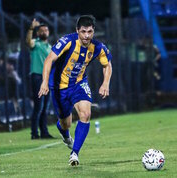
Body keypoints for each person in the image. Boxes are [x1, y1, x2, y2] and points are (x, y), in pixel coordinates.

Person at [38, 15, 112, 166]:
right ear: (77, 30)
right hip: (59, 87)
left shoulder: (98, 47)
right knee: (66, 123)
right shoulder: (67, 41)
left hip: (79, 84)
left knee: (86, 113)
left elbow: (107, 65)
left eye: (89, 32)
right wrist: (44, 82)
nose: (86, 35)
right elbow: (49, 60)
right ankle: (65, 136)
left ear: (93, 32)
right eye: (83, 31)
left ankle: (74, 154)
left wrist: (105, 83)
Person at [26, 19, 53, 139]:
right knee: (39, 106)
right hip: (37, 77)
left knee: (45, 107)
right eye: (41, 30)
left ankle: (44, 132)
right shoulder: (35, 43)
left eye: (46, 30)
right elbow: (28, 42)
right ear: (38, 33)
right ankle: (34, 133)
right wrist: (31, 28)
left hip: (47, 78)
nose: (44, 32)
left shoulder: (50, 47)